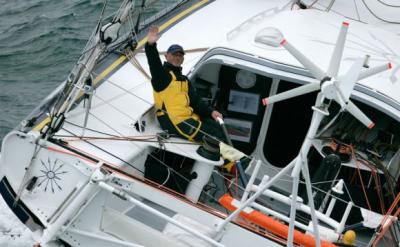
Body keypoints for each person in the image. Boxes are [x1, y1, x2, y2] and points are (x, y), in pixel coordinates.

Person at [145, 26, 224, 143]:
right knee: (216, 137)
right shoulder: (162, 76)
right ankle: (235, 160)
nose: (177, 57)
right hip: (173, 122)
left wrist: (211, 112)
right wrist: (150, 45)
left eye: (180, 55)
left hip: (188, 118)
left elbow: (196, 101)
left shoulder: (184, 80)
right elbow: (154, 63)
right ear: (166, 56)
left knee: (218, 127)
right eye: (174, 54)